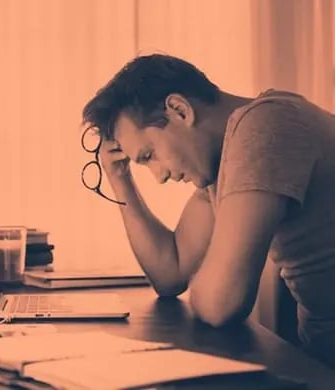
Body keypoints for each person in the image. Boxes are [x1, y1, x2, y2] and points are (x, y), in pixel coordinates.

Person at [81, 53, 335, 367]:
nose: (159, 176)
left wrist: (215, 280)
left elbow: (221, 303)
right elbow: (170, 274)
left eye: (149, 155)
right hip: (320, 355)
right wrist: (119, 178)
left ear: (179, 110)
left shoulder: (267, 125)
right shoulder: (223, 167)